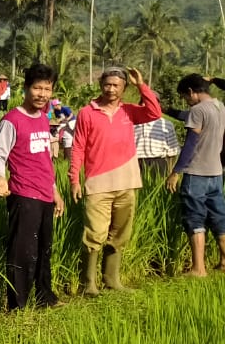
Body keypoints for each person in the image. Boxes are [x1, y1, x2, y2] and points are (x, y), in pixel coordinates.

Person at [68, 66, 161, 295]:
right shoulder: (87, 112)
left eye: (116, 85)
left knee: (120, 234)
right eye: (107, 84)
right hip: (98, 183)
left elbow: (155, 113)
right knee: (95, 234)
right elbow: (78, 147)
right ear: (101, 85)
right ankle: (88, 284)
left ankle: (112, 280)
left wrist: (142, 84)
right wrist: (74, 179)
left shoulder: (129, 111)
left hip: (127, 181)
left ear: (123, 88)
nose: (111, 89)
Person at [0, 64, 65, 310]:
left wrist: (55, 191)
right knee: (22, 251)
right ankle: (17, 304)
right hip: (23, 194)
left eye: (47, 89)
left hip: (45, 194)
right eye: (37, 88)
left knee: (44, 249)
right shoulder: (12, 120)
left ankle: (45, 297)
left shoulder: (44, 118)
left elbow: (45, 160)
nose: (42, 94)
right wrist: (0, 179)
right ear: (25, 88)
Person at [166, 74, 225, 275]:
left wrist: (176, 171)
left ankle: (198, 268)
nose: (186, 102)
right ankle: (224, 261)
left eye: (185, 97)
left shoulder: (197, 110)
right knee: (219, 218)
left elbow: (190, 144)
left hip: (196, 174)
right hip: (216, 173)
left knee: (194, 219)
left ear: (191, 92)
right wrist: (167, 110)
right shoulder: (219, 107)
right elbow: (187, 116)